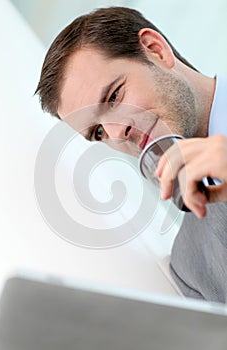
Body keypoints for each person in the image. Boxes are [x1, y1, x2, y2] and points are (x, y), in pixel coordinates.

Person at [35, 7, 227, 303]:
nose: (115, 132)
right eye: (98, 132)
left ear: (156, 50)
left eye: (114, 96)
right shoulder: (190, 268)